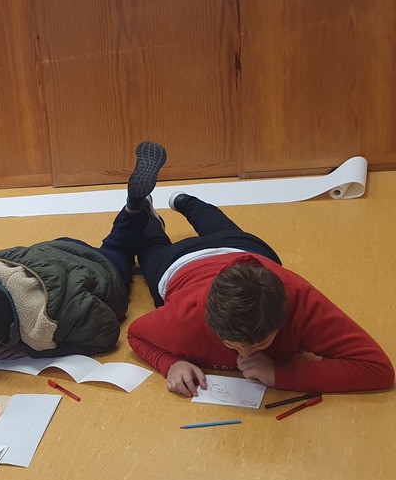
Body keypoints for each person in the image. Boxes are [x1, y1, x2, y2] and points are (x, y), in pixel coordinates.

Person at [122, 145, 394, 395]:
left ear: (283, 314)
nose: (245, 354)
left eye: (262, 342)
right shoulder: (183, 319)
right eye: (232, 344)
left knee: (211, 236)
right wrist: (171, 364)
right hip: (183, 262)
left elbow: (377, 369)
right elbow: (136, 335)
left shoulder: (301, 301)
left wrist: (280, 374)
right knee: (153, 247)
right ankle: (171, 203)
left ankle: (167, 203)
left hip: (241, 250)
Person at [0, 142, 170, 359]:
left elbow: (106, 334)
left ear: (11, 328)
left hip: (101, 268)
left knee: (124, 251)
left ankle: (140, 211)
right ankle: (135, 207)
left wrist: (35, 351)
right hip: (59, 248)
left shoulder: (52, 317)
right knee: (113, 244)